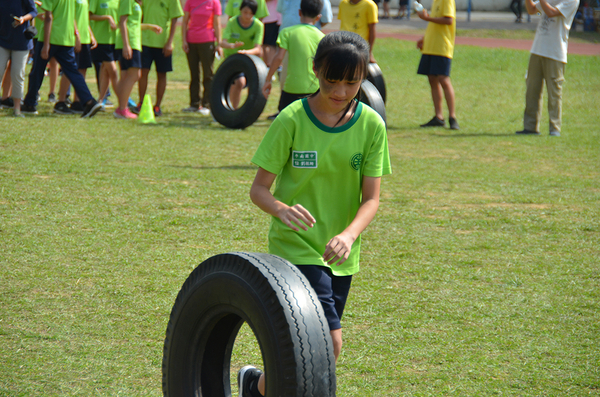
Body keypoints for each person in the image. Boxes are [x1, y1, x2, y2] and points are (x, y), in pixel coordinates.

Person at [242, 30, 391, 397]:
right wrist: (280, 208)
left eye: (351, 82)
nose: (340, 91)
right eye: (331, 80)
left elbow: (371, 199)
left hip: (341, 253)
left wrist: (349, 235)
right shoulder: (292, 119)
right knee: (329, 343)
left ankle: (255, 387)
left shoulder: (371, 126)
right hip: (296, 249)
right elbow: (259, 190)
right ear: (315, 70)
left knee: (305, 347)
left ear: (364, 77)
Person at [21, 0, 103, 117]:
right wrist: (76, 35)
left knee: (37, 71)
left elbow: (49, 17)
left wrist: (46, 44)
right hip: (67, 38)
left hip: (52, 37)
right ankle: (89, 101)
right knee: (73, 72)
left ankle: (30, 103)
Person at [516, 0, 578, 137]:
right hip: (538, 48)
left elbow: (551, 13)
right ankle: (530, 127)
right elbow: (532, 10)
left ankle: (554, 128)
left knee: (554, 92)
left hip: (555, 52)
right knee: (532, 88)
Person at [262, 0, 324, 116]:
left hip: (291, 88)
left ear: (299, 12)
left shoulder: (287, 32)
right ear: (318, 17)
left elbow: (279, 57)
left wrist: (268, 79)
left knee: (286, 123)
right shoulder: (322, 37)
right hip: (314, 89)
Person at [113, 0, 162, 119]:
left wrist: (149, 27)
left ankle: (121, 108)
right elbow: (123, 22)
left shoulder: (135, 3)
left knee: (125, 76)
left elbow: (133, 24)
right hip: (130, 43)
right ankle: (122, 109)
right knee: (135, 75)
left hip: (132, 42)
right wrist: (126, 44)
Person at [415, 0, 459, 130]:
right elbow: (435, 24)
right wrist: (425, 38)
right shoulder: (436, 1)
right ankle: (438, 116)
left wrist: (427, 18)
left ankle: (452, 117)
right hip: (431, 46)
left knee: (443, 79)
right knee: (432, 79)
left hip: (442, 46)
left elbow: (448, 20)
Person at [135, 0, 183, 116]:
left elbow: (174, 19)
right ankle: (141, 103)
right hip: (145, 41)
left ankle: (157, 105)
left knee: (161, 74)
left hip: (162, 42)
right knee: (143, 72)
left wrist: (170, 42)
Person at [54, 0, 97, 114]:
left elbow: (84, 18)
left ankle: (78, 101)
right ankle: (61, 101)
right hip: (74, 38)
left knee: (82, 68)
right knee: (70, 70)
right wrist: (76, 35)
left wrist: (91, 35)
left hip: (85, 38)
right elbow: (70, 17)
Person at [220, 0, 263, 110]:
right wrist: (232, 46)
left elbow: (258, 49)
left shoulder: (258, 25)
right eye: (245, 12)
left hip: (249, 59)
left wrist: (245, 52)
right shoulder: (232, 22)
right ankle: (230, 109)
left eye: (251, 14)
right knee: (238, 82)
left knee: (241, 84)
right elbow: (222, 43)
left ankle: (234, 110)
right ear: (240, 11)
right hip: (232, 58)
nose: (247, 16)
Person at [181, 0, 222, 115]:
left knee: (208, 74)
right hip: (191, 40)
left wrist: (219, 44)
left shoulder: (214, 2)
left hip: (207, 40)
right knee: (194, 74)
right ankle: (194, 103)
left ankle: (207, 104)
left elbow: (217, 23)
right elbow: (185, 22)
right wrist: (184, 40)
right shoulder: (190, 1)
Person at [0, 0, 37, 117]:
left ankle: (17, 109)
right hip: (2, 39)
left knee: (18, 74)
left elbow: (33, 11)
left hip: (21, 42)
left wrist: (23, 19)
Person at [89, 0, 120, 108]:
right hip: (102, 40)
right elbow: (88, 16)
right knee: (113, 72)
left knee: (105, 71)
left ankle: (100, 101)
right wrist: (107, 17)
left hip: (115, 40)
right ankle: (124, 102)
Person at [261, 0, 282, 67]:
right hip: (263, 18)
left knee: (271, 45)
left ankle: (271, 66)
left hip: (272, 17)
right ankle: (266, 66)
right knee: (263, 44)